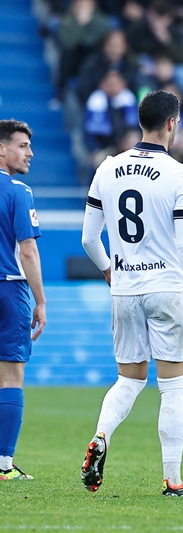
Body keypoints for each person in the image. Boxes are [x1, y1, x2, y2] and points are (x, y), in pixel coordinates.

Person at [79, 90, 183, 497]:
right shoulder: (179, 174)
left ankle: (101, 435)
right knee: (172, 388)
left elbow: (88, 238)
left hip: (125, 289)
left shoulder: (108, 168)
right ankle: (173, 480)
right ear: (172, 123)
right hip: (167, 289)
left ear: (141, 121)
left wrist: (110, 270)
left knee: (128, 380)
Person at [0, 120, 45, 481]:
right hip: (9, 288)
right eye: (23, 145)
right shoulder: (18, 191)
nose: (30, 152)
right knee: (11, 378)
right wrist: (41, 301)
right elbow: (28, 250)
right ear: (2, 149)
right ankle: (3, 465)